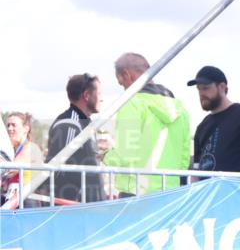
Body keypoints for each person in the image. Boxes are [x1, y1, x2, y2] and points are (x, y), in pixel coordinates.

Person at [104, 52, 191, 196]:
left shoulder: (132, 103)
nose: (123, 88)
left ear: (127, 75)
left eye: (121, 83)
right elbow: (184, 160)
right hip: (170, 192)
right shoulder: (181, 109)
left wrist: (106, 157)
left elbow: (125, 154)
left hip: (135, 192)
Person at [46, 73, 106, 203]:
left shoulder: (84, 123)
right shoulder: (69, 124)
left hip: (86, 208)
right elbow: (55, 169)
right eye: (99, 93)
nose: (102, 99)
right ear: (86, 95)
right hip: (73, 210)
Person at [2, 112, 45, 205]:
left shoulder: (31, 147)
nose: (9, 129)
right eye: (8, 125)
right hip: (12, 199)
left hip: (28, 201)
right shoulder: (13, 150)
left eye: (14, 125)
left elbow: (9, 170)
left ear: (26, 129)